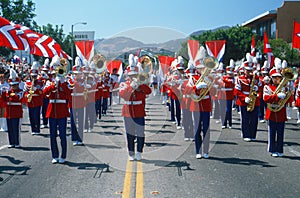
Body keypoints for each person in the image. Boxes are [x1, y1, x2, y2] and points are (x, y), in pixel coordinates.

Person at [119, 54, 151, 161]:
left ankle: (139, 152)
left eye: (135, 75)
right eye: (131, 75)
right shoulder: (124, 84)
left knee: (140, 133)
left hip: (139, 112)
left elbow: (148, 91)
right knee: (130, 134)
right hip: (127, 112)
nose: (133, 77)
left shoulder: (142, 83)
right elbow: (122, 95)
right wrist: (130, 87)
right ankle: (131, 153)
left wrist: (140, 86)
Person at [43, 56, 71, 164]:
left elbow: (69, 95)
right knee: (53, 135)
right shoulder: (49, 82)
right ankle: (55, 155)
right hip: (52, 111)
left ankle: (63, 155)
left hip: (62, 111)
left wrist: (62, 83)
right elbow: (44, 93)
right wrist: (53, 85)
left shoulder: (65, 82)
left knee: (62, 135)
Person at [235, 54, 262, 141]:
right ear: (244, 70)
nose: (249, 72)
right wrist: (244, 98)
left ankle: (253, 135)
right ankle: (246, 134)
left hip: (255, 101)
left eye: (250, 70)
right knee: (245, 119)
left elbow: (262, 88)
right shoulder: (240, 79)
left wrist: (258, 88)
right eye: (247, 70)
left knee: (254, 119)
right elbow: (237, 91)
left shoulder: (256, 78)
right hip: (244, 101)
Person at [263, 67, 288, 157]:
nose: (277, 79)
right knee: (272, 132)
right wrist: (277, 96)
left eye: (278, 77)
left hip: (281, 112)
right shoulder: (267, 87)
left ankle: (280, 150)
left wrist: (288, 94)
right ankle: (273, 149)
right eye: (274, 77)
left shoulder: (284, 88)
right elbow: (266, 98)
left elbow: (289, 100)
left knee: (281, 133)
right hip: (272, 113)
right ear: (271, 78)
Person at [1, 68, 23, 148]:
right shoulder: (8, 91)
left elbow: (18, 98)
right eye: (12, 85)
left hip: (16, 112)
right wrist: (3, 92)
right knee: (10, 128)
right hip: (8, 112)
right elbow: (3, 100)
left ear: (17, 84)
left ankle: (17, 142)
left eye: (15, 85)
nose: (13, 86)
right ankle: (11, 142)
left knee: (15, 128)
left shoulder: (20, 91)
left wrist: (10, 93)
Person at [24, 61, 44, 135]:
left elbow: (42, 93)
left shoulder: (40, 83)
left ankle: (37, 129)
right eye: (32, 76)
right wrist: (28, 95)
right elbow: (25, 92)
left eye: (35, 76)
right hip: (30, 101)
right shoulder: (27, 83)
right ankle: (33, 129)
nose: (34, 78)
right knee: (31, 116)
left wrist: (37, 90)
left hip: (37, 101)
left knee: (37, 116)